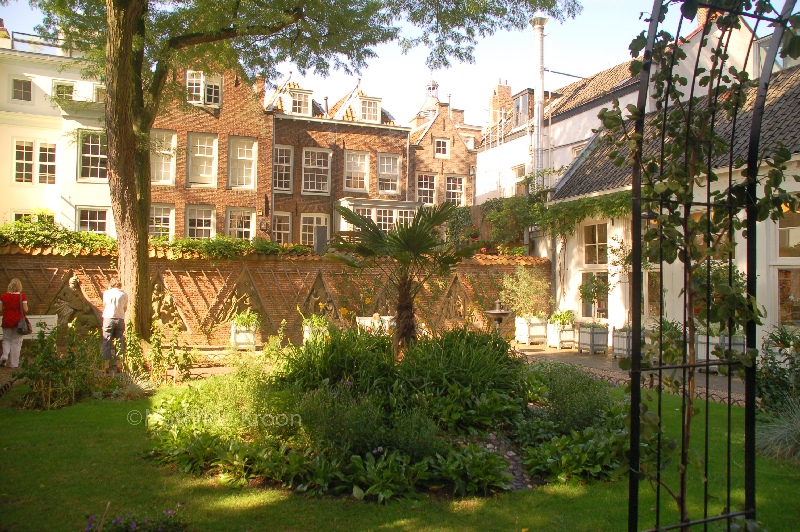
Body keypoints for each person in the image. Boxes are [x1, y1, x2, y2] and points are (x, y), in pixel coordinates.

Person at [0, 278, 29, 368]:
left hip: (6, 320)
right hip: (18, 322)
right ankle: (13, 364)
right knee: (16, 342)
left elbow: (0, 309)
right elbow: (25, 309)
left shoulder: (3, 296)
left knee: (6, 340)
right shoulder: (22, 296)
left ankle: (4, 356)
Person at [102, 277, 128, 374]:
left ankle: (106, 366)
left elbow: (104, 304)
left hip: (108, 318)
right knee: (120, 341)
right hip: (120, 319)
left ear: (111, 284)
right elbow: (125, 308)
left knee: (106, 341)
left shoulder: (107, 293)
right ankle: (118, 365)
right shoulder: (124, 294)